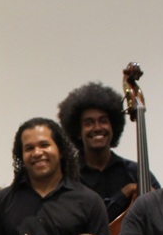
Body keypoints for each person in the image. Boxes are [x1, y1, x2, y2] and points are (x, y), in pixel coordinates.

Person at [58, 82, 157, 223]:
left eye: (103, 121)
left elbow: (161, 212)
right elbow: (81, 218)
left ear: (113, 127)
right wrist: (124, 194)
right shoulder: (67, 175)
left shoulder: (135, 172)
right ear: (78, 132)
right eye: (88, 123)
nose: (97, 128)